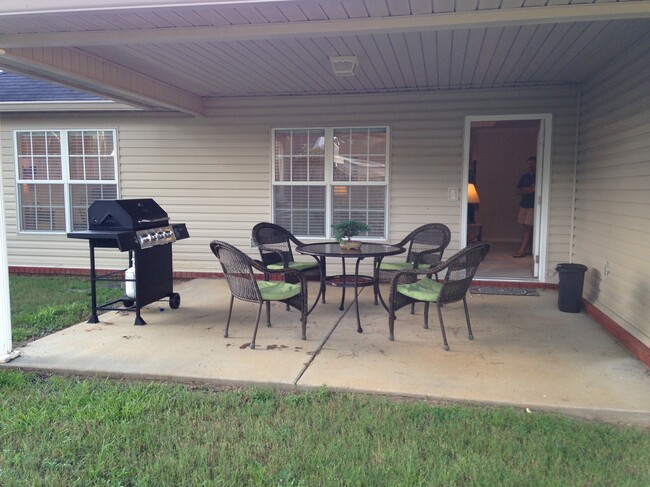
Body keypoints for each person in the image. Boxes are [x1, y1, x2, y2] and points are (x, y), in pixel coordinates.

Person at [513, 156, 536, 258]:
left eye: (532, 163)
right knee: (524, 226)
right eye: (529, 163)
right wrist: (529, 189)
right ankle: (526, 248)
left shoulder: (538, 176)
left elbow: (535, 190)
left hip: (533, 205)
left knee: (528, 227)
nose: (530, 165)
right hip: (523, 205)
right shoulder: (525, 176)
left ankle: (522, 250)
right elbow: (518, 190)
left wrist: (528, 190)